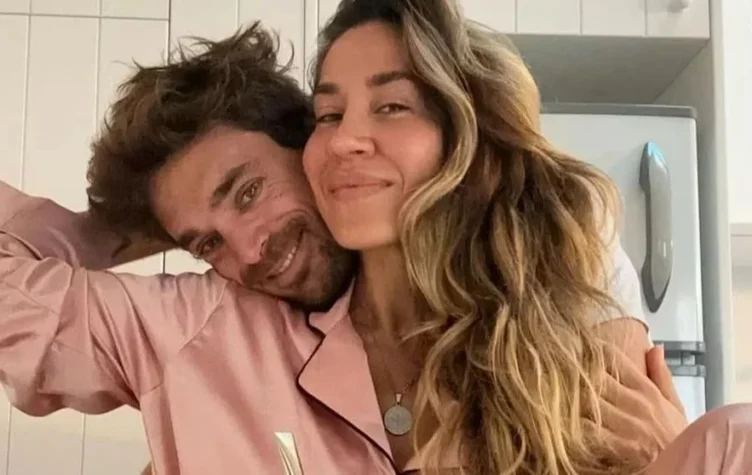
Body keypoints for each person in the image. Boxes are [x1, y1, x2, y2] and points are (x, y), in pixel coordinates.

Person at [0, 10, 742, 475]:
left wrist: (671, 453)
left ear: (309, 148)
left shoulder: (544, 290)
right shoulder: (197, 326)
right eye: (206, 242)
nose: (249, 252)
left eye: (249, 192)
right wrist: (110, 228)